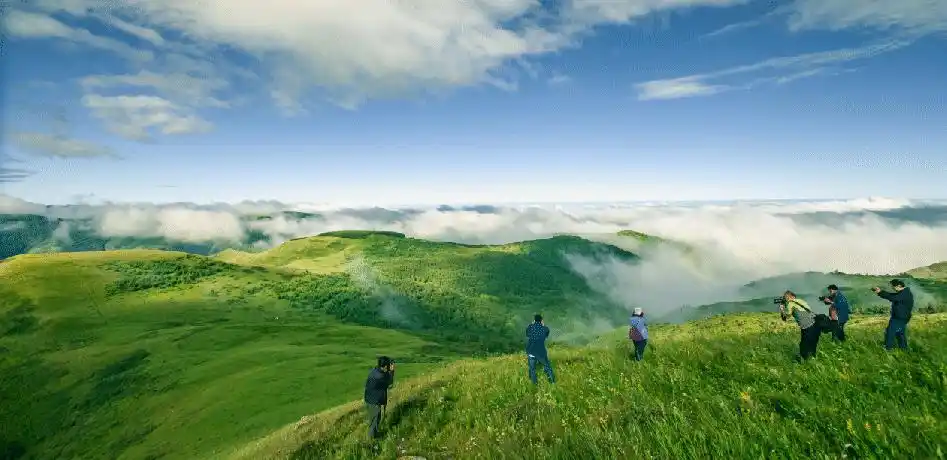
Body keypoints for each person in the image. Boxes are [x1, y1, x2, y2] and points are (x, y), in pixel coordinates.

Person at [873, 279, 914, 351]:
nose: (893, 289)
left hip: (899, 317)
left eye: (893, 287)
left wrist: (880, 292)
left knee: (890, 332)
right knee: (900, 333)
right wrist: (880, 292)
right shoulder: (903, 293)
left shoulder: (905, 293)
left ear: (899, 286)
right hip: (902, 317)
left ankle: (888, 348)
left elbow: (893, 297)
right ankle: (904, 348)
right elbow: (891, 295)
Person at [779, 291, 821, 361]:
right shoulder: (800, 300)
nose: (786, 299)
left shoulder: (790, 304)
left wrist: (782, 309)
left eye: (786, 297)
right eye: (785, 297)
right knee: (812, 342)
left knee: (803, 344)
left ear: (792, 297)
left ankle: (803, 359)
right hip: (815, 322)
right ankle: (813, 357)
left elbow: (786, 318)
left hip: (806, 325)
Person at [364, 356, 395, 439]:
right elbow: (390, 384)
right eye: (388, 365)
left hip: (370, 398)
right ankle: (372, 439)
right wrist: (392, 371)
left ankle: (375, 434)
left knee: (375, 419)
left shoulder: (375, 370)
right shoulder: (380, 376)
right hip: (374, 401)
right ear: (385, 366)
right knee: (374, 421)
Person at [525, 314, 555, 385]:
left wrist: (532, 324)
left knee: (532, 369)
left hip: (531, 351)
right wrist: (543, 325)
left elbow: (527, 334)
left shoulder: (530, 327)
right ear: (541, 320)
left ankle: (534, 383)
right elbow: (546, 335)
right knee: (547, 367)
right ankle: (552, 382)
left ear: (534, 320)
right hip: (541, 351)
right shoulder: (545, 328)